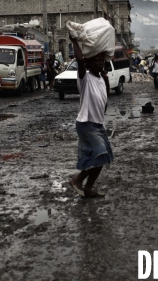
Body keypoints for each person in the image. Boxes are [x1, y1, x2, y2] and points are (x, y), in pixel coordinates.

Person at [68, 34, 113, 198]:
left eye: (102, 61)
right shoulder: (85, 78)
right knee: (100, 155)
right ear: (90, 63)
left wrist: (107, 82)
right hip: (86, 123)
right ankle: (77, 181)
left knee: (103, 157)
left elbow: (104, 103)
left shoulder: (102, 79)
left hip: (97, 123)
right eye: (97, 60)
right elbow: (80, 60)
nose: (101, 63)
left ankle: (88, 188)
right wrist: (74, 41)